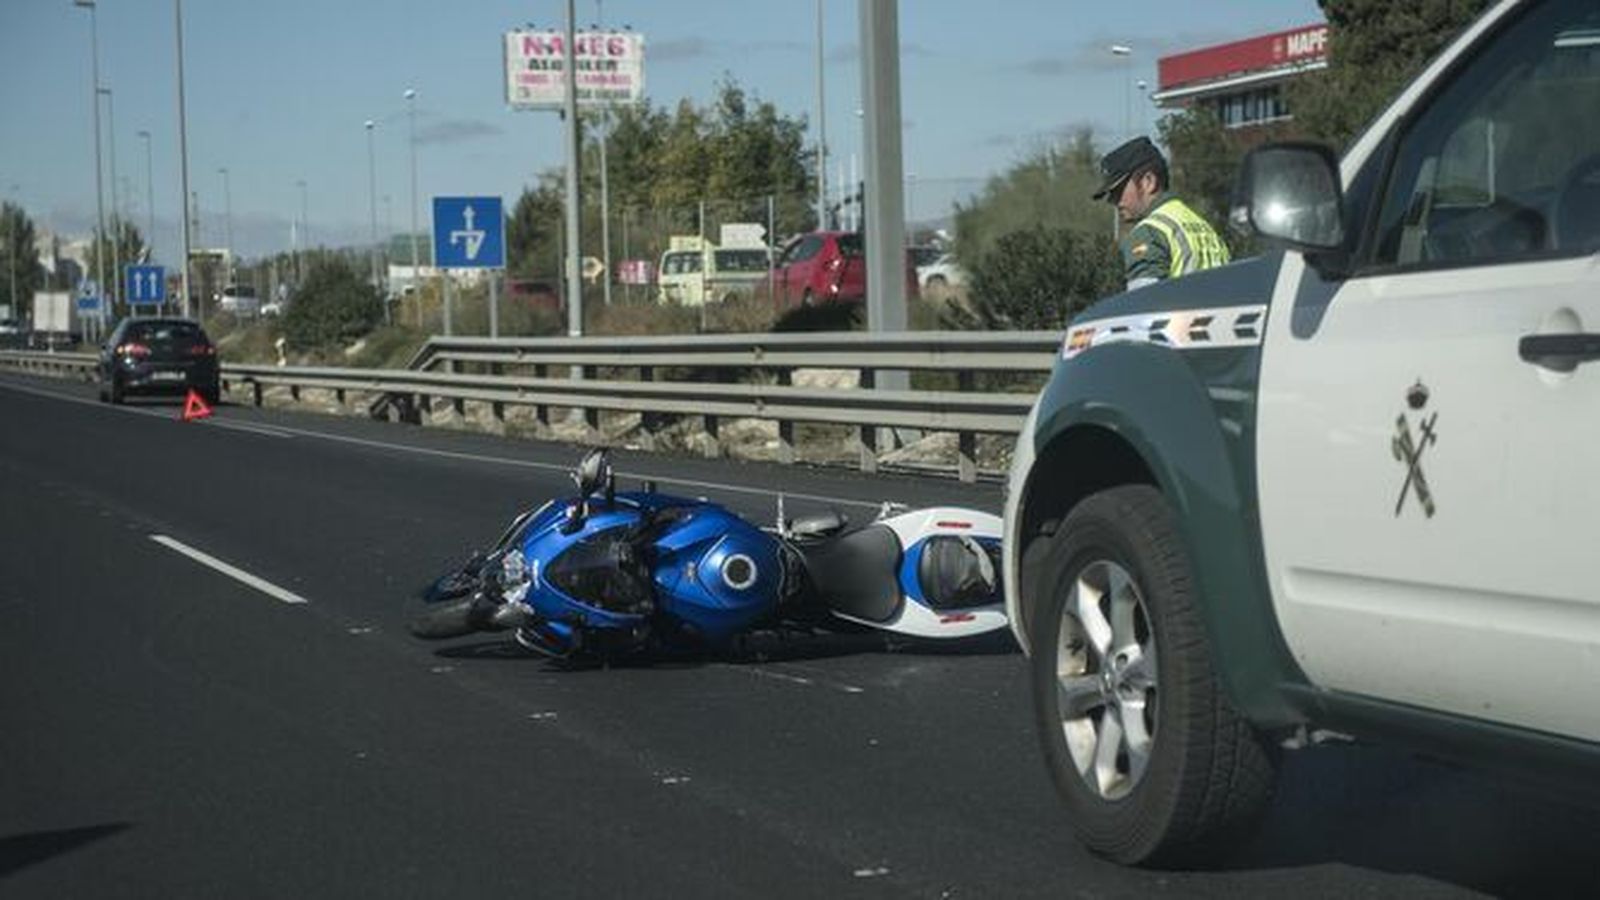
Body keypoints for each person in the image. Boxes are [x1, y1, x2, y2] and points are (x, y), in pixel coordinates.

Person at [1091, 136, 1231, 291]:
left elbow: (1143, 306)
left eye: (1118, 190)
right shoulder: (1206, 229)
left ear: (1148, 181)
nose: (1112, 201)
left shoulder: (1149, 233)